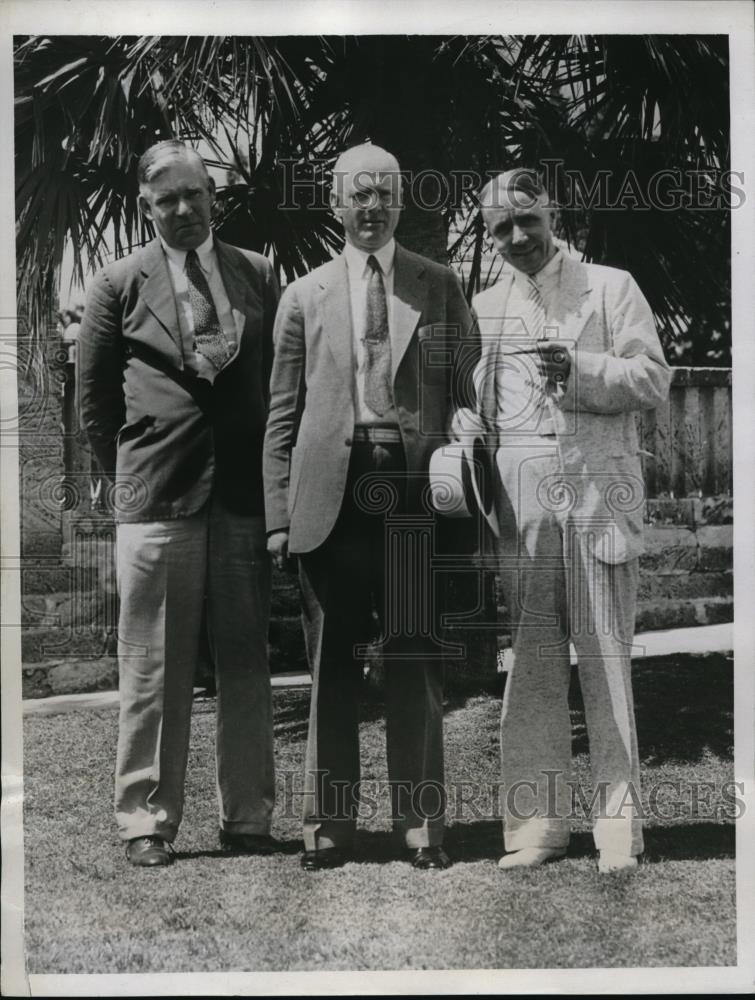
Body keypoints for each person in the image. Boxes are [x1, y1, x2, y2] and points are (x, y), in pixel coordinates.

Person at [263, 143, 476, 871]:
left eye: (383, 193)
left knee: (413, 657)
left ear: (400, 201)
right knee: (329, 664)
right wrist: (277, 517)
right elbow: (281, 416)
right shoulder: (303, 295)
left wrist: (470, 440)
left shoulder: (438, 284)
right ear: (334, 203)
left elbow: (467, 391)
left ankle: (422, 829)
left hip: (413, 492)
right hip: (330, 496)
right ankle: (329, 829)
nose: (370, 207)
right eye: (357, 195)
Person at [78, 140, 280, 867]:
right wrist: (134, 480)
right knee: (153, 667)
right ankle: (146, 821)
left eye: (194, 194)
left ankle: (250, 817)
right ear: (146, 207)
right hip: (156, 499)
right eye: (167, 200)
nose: (184, 209)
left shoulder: (257, 273)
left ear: (212, 195)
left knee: (246, 660)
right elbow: (96, 407)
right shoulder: (117, 284)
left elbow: (274, 386)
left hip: (242, 499)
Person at [465, 168, 670, 873]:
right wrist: (468, 429)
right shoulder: (484, 305)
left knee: (607, 663)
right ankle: (536, 828)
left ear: (549, 212)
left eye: (526, 219)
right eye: (500, 229)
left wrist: (578, 369)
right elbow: (483, 408)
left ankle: (618, 831)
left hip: (596, 498)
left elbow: (653, 379)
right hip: (521, 509)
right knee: (530, 667)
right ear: (487, 238)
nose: (517, 236)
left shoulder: (610, 287)